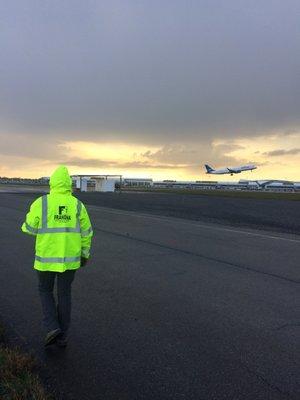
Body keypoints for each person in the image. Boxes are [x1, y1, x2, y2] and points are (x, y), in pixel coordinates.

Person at [21, 165, 93, 347]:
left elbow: (29, 228)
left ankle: (52, 327)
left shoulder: (42, 202)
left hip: (45, 260)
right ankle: (62, 336)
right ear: (68, 184)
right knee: (65, 295)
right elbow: (87, 233)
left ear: (52, 183)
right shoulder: (77, 204)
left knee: (45, 291)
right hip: (70, 261)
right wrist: (84, 255)